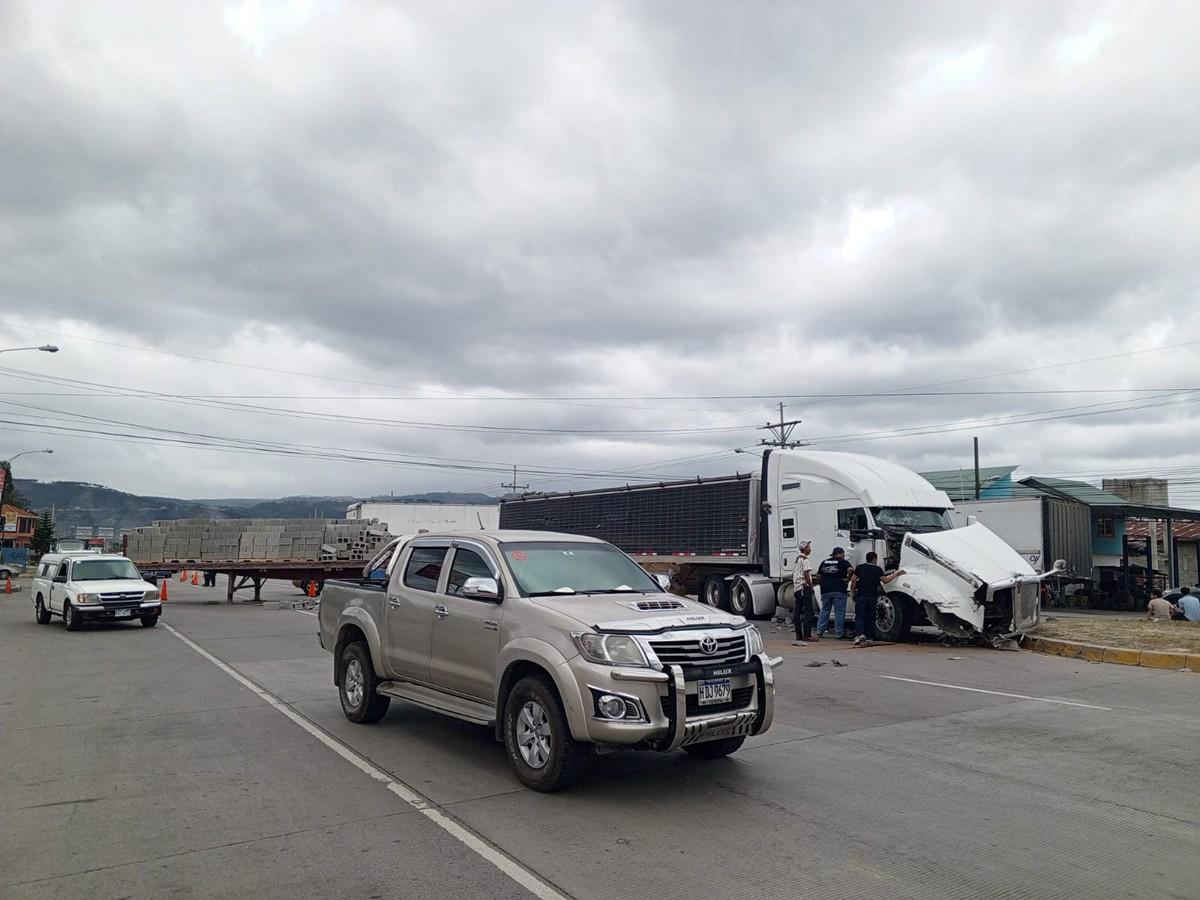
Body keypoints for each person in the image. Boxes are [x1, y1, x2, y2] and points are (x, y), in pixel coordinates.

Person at [849, 552, 905, 646]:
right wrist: (897, 574)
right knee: (871, 617)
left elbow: (853, 580)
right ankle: (869, 637)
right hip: (872, 596)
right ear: (874, 559)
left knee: (860, 616)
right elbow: (885, 580)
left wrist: (853, 591)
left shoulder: (859, 567)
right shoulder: (877, 569)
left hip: (861, 596)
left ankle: (860, 635)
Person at [815, 547, 853, 640]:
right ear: (840, 553)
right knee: (839, 612)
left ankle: (819, 631)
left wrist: (823, 584)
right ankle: (839, 634)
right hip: (838, 590)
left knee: (824, 610)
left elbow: (818, 576)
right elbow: (851, 570)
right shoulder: (842, 562)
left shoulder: (824, 562)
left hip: (825, 591)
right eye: (843, 554)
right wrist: (848, 579)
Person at [791, 540, 815, 646]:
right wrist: (811, 585)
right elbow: (806, 574)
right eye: (809, 547)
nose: (810, 549)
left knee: (797, 611)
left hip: (797, 588)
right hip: (804, 587)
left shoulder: (797, 559)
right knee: (808, 612)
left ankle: (798, 634)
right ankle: (807, 635)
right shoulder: (805, 560)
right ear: (805, 548)